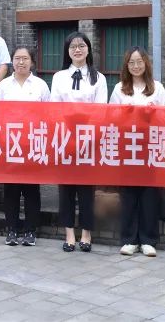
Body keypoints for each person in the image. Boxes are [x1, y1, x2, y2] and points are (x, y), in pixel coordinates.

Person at [49, 32, 107, 252]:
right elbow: (55, 108)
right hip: (65, 139)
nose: (77, 50)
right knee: (65, 189)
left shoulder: (98, 78)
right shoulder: (59, 77)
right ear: (67, 51)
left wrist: (86, 134)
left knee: (86, 190)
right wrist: (67, 130)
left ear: (88, 49)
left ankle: (86, 233)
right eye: (73, 46)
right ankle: (69, 234)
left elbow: (101, 110)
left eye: (81, 45)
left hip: (89, 141)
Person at [109, 47, 165, 258]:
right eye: (131, 62)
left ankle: (148, 240)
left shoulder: (157, 88)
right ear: (126, 65)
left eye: (139, 62)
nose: (136, 66)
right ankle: (129, 239)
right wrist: (124, 114)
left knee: (149, 194)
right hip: (127, 146)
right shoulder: (119, 89)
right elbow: (111, 117)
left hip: (150, 146)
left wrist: (153, 114)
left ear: (146, 63)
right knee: (128, 193)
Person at [0, 46, 50, 247]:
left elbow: (48, 114)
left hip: (32, 143)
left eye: (25, 58)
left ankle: (30, 230)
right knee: (11, 189)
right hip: (9, 144)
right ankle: (12, 229)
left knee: (31, 189)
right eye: (17, 58)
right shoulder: (4, 85)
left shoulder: (41, 85)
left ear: (32, 62)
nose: (21, 62)